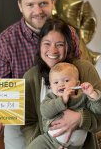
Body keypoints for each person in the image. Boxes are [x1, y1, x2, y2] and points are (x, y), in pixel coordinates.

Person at [0, 0, 80, 147]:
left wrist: (80, 115)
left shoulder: (70, 34)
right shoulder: (4, 43)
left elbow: (80, 74)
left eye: (43, 3)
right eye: (30, 5)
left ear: (52, 2)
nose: (37, 11)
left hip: (65, 112)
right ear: (20, 6)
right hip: (22, 122)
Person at [23, 18, 101, 149]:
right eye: (47, 43)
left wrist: (80, 118)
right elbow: (28, 122)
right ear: (39, 46)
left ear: (68, 46)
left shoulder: (84, 69)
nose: (53, 51)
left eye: (59, 44)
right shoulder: (30, 77)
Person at [29, 62, 101, 149]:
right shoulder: (52, 97)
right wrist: (62, 100)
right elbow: (45, 112)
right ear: (51, 87)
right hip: (50, 141)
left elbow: (98, 110)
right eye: (56, 82)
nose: (61, 84)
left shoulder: (83, 97)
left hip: (76, 146)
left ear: (77, 84)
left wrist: (93, 94)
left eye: (66, 80)